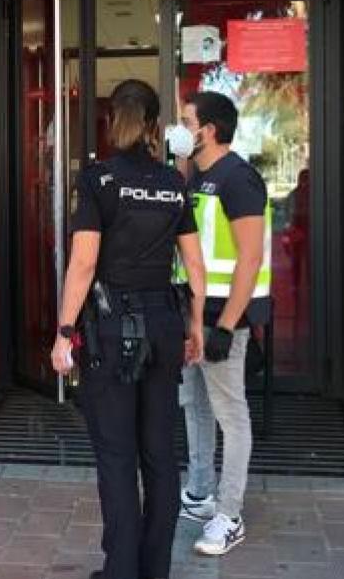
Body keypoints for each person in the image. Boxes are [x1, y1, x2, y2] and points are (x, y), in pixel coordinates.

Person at [50, 79, 206, 579]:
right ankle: (153, 569)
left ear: (112, 120)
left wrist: (63, 331)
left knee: (117, 457)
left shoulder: (100, 180)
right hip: (163, 325)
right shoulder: (172, 182)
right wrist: (195, 325)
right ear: (157, 126)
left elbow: (82, 263)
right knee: (160, 454)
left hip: (112, 330)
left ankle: (121, 569)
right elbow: (194, 265)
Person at [168, 91, 269, 557]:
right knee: (196, 406)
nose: (179, 128)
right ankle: (200, 493)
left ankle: (229, 514)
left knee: (231, 415)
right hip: (192, 315)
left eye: (185, 120)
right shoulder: (197, 176)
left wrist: (226, 327)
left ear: (207, 130)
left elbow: (250, 258)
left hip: (222, 318)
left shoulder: (239, 179)